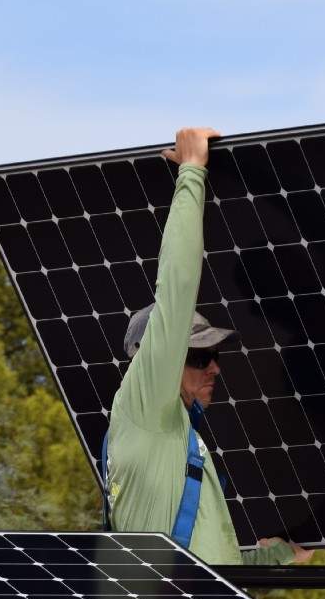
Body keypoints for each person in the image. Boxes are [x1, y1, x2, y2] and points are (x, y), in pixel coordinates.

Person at [104, 127, 309, 567]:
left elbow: (210, 577)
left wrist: (273, 558)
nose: (214, 368)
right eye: (198, 356)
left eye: (214, 355)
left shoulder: (177, 437)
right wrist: (192, 174)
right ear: (152, 358)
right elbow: (176, 286)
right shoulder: (143, 404)